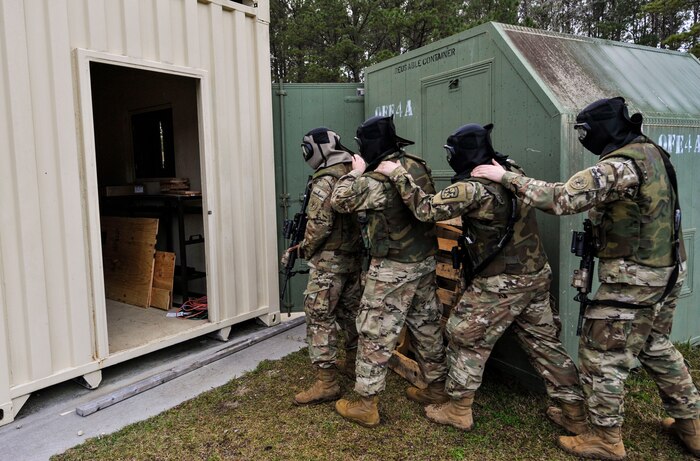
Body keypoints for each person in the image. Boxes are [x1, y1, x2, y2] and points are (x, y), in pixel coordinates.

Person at [472, 97, 700, 460]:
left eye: (585, 132)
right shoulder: (652, 152)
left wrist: (505, 177)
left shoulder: (618, 166)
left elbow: (561, 199)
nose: (583, 138)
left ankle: (606, 439)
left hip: (634, 278)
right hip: (667, 268)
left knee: (602, 354)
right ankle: (691, 426)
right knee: (654, 346)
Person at [374, 123, 585, 434]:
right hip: (535, 274)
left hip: (501, 282)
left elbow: (425, 209)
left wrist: (396, 173)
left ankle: (458, 409)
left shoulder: (472, 188)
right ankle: (574, 413)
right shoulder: (509, 169)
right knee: (543, 343)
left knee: (464, 334)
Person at [330, 115, 448, 427]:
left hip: (393, 267)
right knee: (427, 325)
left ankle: (366, 404)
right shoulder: (415, 165)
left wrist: (353, 172)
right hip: (423, 261)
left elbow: (339, 201)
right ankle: (436, 388)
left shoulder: (375, 182)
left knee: (374, 331)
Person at [282, 127, 363, 405]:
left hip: (330, 263)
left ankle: (326, 383)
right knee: (350, 312)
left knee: (319, 315)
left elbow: (319, 225)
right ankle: (353, 364)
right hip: (354, 258)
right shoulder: (351, 170)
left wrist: (302, 248)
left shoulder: (326, 180)